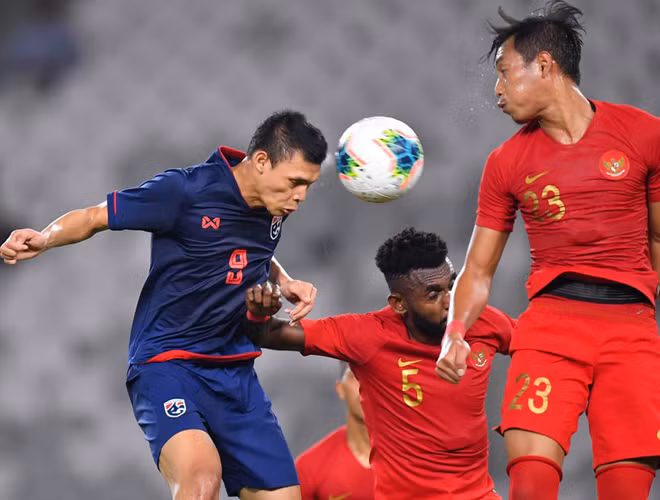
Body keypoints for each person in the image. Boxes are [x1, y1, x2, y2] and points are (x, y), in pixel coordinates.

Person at [0, 110, 328, 500]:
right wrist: (45, 237)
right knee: (200, 481)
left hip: (234, 371)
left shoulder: (273, 205)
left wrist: (284, 280)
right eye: (295, 182)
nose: (300, 197)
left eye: (308, 186)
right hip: (168, 364)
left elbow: (250, 252)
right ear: (260, 161)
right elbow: (93, 217)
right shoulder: (184, 191)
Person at [435, 2, 660, 500]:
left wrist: (645, 310)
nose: (497, 90)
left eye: (503, 73)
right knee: (530, 483)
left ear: (544, 65)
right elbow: (477, 270)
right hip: (551, 329)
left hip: (632, 334)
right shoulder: (506, 163)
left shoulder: (646, 135)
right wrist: (454, 333)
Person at [244, 227, 516, 500]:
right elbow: (269, 333)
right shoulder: (368, 336)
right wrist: (259, 311)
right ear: (399, 304)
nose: (450, 302)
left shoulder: (481, 321)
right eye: (433, 294)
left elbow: (534, 345)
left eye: (453, 287)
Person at [295, 362, 374, 500]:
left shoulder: (412, 457)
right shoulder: (309, 468)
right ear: (340, 389)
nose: (365, 387)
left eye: (374, 378)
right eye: (355, 376)